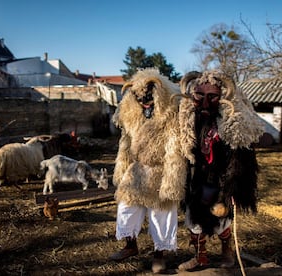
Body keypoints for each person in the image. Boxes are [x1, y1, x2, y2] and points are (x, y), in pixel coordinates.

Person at [177, 70, 264, 270]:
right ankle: (200, 257)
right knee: (193, 216)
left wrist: (232, 185)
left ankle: (227, 250)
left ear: (223, 96)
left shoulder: (234, 122)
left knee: (221, 215)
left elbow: (243, 158)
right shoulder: (188, 118)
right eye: (200, 95)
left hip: (222, 176)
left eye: (212, 96)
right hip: (197, 175)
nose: (205, 102)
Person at [108, 68, 187, 273]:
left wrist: (172, 178)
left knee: (161, 213)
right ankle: (130, 245)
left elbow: (174, 147)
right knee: (126, 207)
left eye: (149, 97)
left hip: (161, 171)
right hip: (136, 170)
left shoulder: (170, 114)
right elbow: (125, 141)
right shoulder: (131, 114)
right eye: (140, 97)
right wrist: (122, 166)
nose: (145, 102)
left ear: (158, 94)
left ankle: (159, 254)